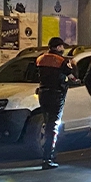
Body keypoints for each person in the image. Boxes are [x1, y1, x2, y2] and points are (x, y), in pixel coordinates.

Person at [35, 37, 75, 170]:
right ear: (58, 47)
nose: (63, 49)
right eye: (62, 47)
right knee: (53, 126)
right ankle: (48, 158)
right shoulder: (61, 61)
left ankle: (48, 155)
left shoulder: (40, 58)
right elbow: (72, 77)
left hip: (43, 93)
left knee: (47, 123)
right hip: (56, 94)